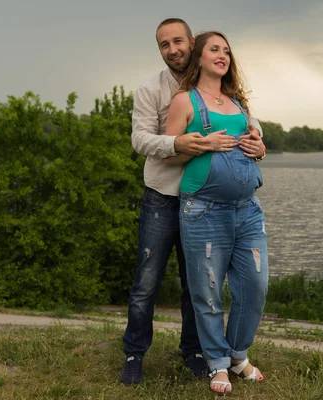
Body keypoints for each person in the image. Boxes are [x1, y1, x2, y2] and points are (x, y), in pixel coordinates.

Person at [121, 18, 266, 385]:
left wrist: (259, 143)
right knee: (146, 282)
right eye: (164, 45)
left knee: (198, 285)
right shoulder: (153, 89)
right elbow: (140, 140)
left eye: (178, 41)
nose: (173, 50)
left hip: (205, 202)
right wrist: (180, 144)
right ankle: (134, 353)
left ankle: (194, 352)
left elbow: (245, 124)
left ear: (193, 44)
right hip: (164, 198)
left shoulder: (219, 89)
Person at [164, 31, 268, 394]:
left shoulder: (237, 102)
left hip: (247, 209)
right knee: (207, 292)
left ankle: (238, 354)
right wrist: (200, 144)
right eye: (214, 49)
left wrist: (260, 147)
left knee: (255, 284)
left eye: (226, 50)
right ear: (199, 57)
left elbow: (255, 142)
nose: (222, 55)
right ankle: (218, 364)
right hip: (203, 211)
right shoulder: (184, 101)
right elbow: (168, 151)